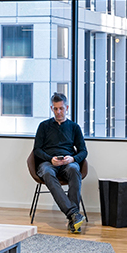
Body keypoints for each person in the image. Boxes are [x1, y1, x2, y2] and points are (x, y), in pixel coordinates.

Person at [33, 92, 88, 234]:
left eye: (61, 108)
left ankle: (73, 217)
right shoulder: (43, 126)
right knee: (47, 172)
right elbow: (37, 150)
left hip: (67, 161)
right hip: (48, 162)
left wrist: (73, 159)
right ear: (52, 108)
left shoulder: (74, 127)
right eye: (55, 109)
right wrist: (50, 159)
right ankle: (73, 215)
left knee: (74, 170)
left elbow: (83, 151)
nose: (58, 112)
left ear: (67, 108)